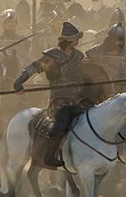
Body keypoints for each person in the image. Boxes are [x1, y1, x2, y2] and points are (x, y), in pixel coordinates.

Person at [13, 22, 88, 169]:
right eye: (75, 39)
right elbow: (34, 68)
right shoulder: (53, 56)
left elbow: (87, 73)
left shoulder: (79, 56)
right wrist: (19, 81)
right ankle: (49, 155)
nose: (77, 41)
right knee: (64, 116)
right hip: (59, 100)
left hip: (79, 98)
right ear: (68, 40)